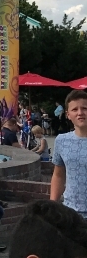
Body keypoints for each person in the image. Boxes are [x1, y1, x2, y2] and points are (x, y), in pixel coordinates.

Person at [50, 89, 87, 219]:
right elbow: (58, 175)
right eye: (75, 109)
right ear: (67, 114)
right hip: (70, 214)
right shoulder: (61, 141)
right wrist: (52, 205)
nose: (80, 113)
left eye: (84, 108)